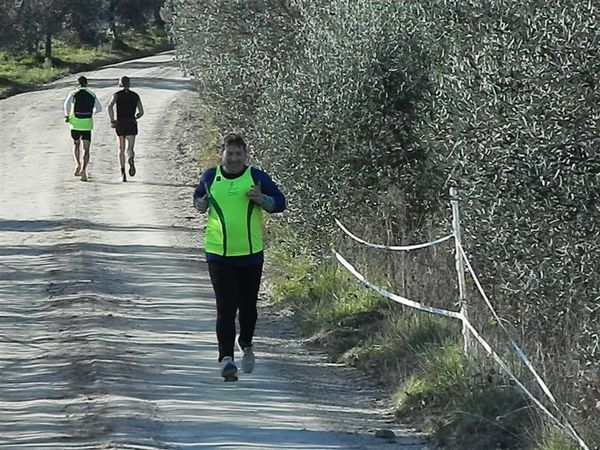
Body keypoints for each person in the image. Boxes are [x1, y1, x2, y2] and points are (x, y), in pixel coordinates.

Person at [193, 133, 286, 381]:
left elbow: (280, 202)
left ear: (245, 155)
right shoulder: (211, 176)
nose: (233, 158)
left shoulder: (256, 177)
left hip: (250, 254)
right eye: (229, 153)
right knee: (225, 307)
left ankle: (246, 343)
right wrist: (200, 205)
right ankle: (226, 359)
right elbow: (199, 198)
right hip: (218, 253)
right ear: (221, 154)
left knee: (248, 307)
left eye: (238, 154)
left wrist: (262, 199)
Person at [64, 76, 102, 182]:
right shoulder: (92, 94)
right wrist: (92, 113)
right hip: (87, 124)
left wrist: (67, 116)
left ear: (77, 83)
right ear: (87, 83)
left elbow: (66, 104)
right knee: (86, 149)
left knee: (76, 144)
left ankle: (77, 165)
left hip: (75, 123)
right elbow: (99, 108)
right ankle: (84, 170)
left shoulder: (73, 93)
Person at [107, 76, 144, 182]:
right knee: (130, 148)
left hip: (120, 123)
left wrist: (112, 120)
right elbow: (141, 112)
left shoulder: (116, 95)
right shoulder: (135, 96)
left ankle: (123, 174)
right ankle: (131, 158)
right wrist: (136, 116)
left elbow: (109, 106)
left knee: (120, 150)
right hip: (131, 122)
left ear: (120, 84)